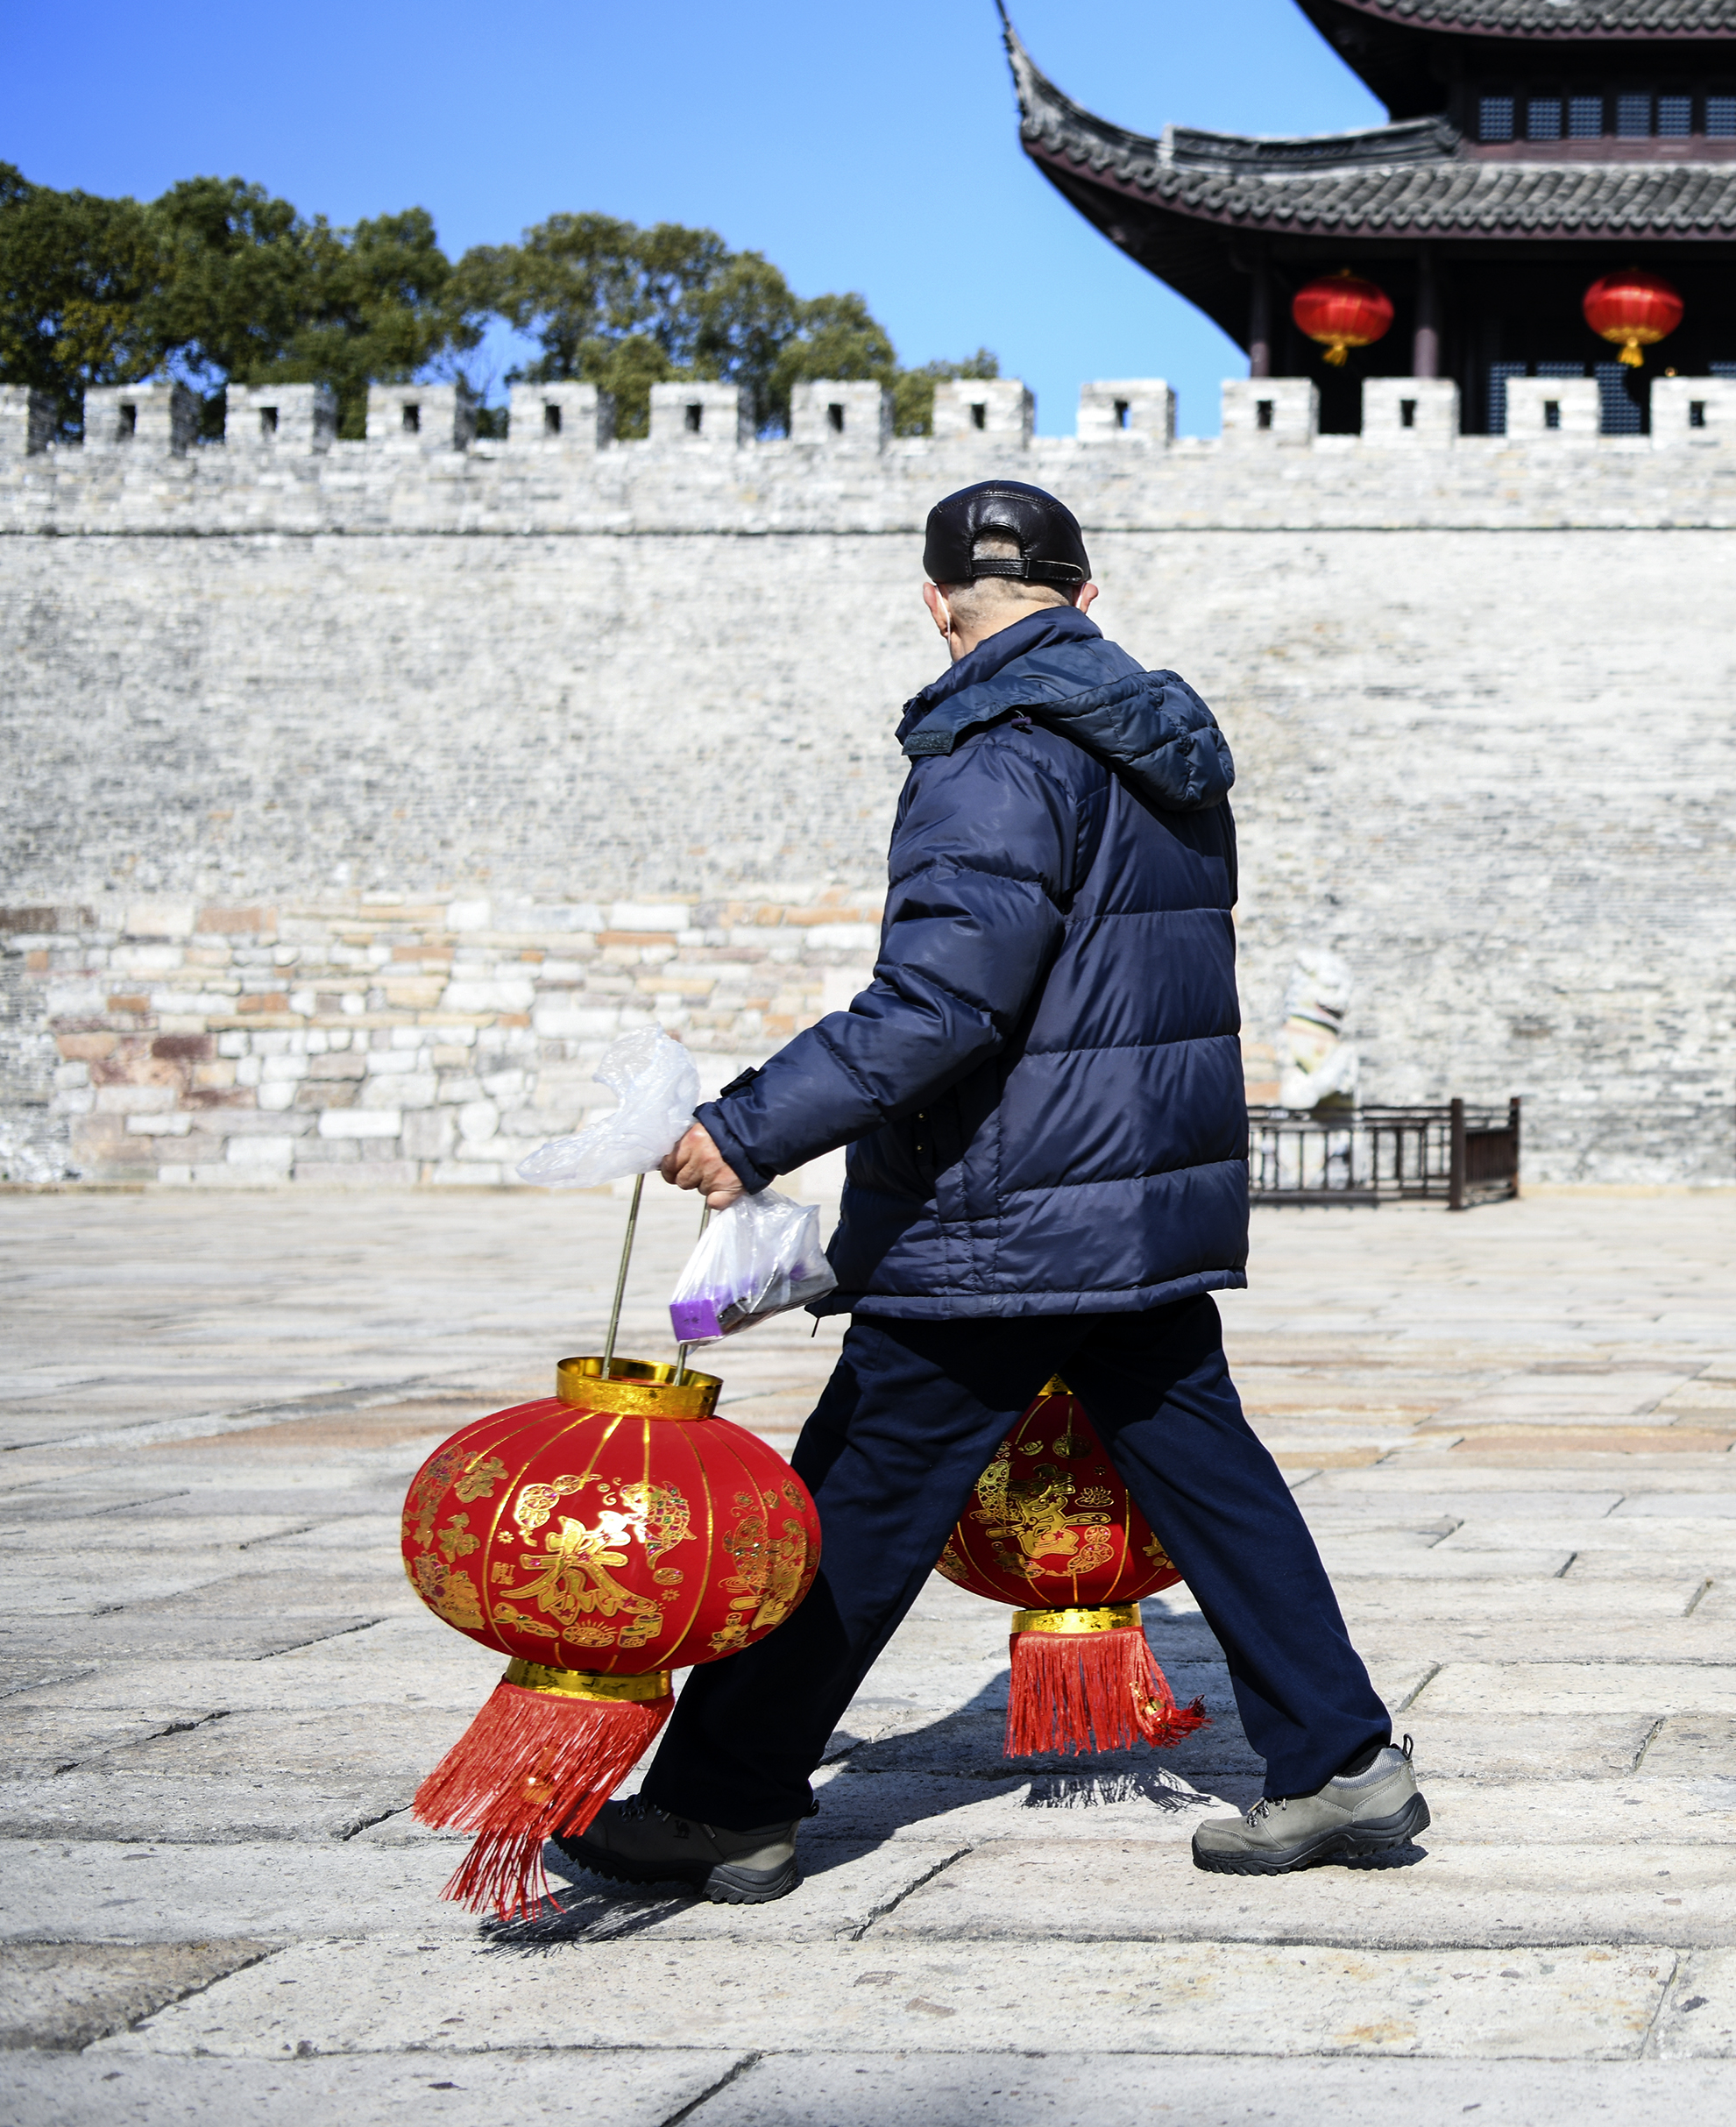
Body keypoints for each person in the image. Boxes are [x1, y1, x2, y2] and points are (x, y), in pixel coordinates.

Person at [553, 479, 1420, 1903]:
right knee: (1217, 1479)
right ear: (1085, 597)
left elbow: (944, 1002)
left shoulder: (991, 753)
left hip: (1002, 1211)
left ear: (934, 602)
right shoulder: (1166, 753)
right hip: (1136, 1202)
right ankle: (1338, 1757)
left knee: (856, 1495)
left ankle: (722, 1804)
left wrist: (750, 1129)